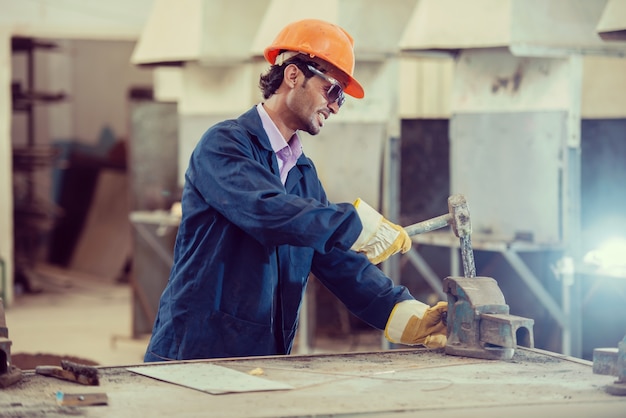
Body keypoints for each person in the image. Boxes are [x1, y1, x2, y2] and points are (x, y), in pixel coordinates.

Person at [143, 18, 447, 362]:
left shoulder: (303, 174)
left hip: (263, 357)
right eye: (332, 91)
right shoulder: (225, 144)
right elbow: (266, 211)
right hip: (194, 352)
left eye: (341, 100)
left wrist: (404, 312)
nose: (334, 106)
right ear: (293, 76)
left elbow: (334, 260)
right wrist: (355, 223)